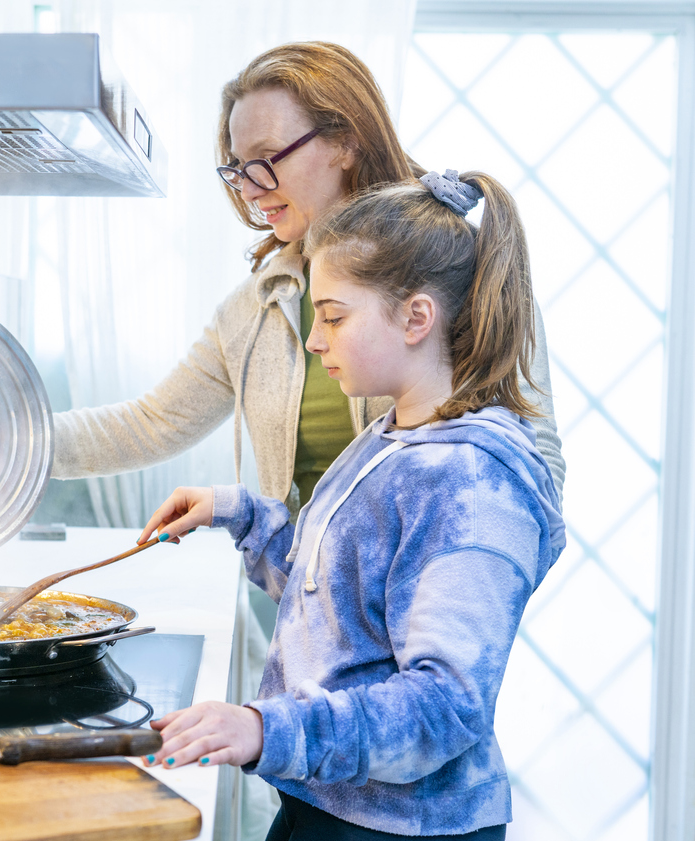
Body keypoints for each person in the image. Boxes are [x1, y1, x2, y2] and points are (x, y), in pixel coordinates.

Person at [134, 170, 567, 841]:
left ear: (415, 318)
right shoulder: (392, 435)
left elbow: (446, 706)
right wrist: (237, 512)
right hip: (335, 801)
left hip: (402, 838)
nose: (313, 340)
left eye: (333, 316)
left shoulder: (473, 482)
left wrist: (262, 728)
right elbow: (335, 596)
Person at [51, 42, 565, 514]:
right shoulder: (254, 308)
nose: (249, 189)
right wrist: (6, 441)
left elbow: (536, 463)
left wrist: (469, 589)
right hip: (309, 610)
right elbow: (150, 424)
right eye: (237, 166)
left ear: (345, 143)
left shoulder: (457, 272)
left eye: (265, 159)